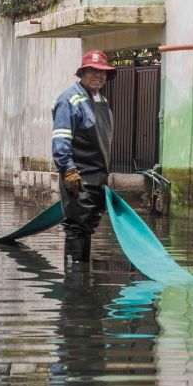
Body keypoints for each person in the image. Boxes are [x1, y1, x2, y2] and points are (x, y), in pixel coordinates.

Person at [52, 50, 115, 265]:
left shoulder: (101, 100)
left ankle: (82, 283)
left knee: (87, 227)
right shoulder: (68, 100)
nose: (98, 76)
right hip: (78, 178)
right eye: (92, 71)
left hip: (99, 180)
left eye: (102, 72)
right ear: (82, 73)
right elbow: (61, 141)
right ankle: (75, 285)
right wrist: (68, 171)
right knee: (77, 228)